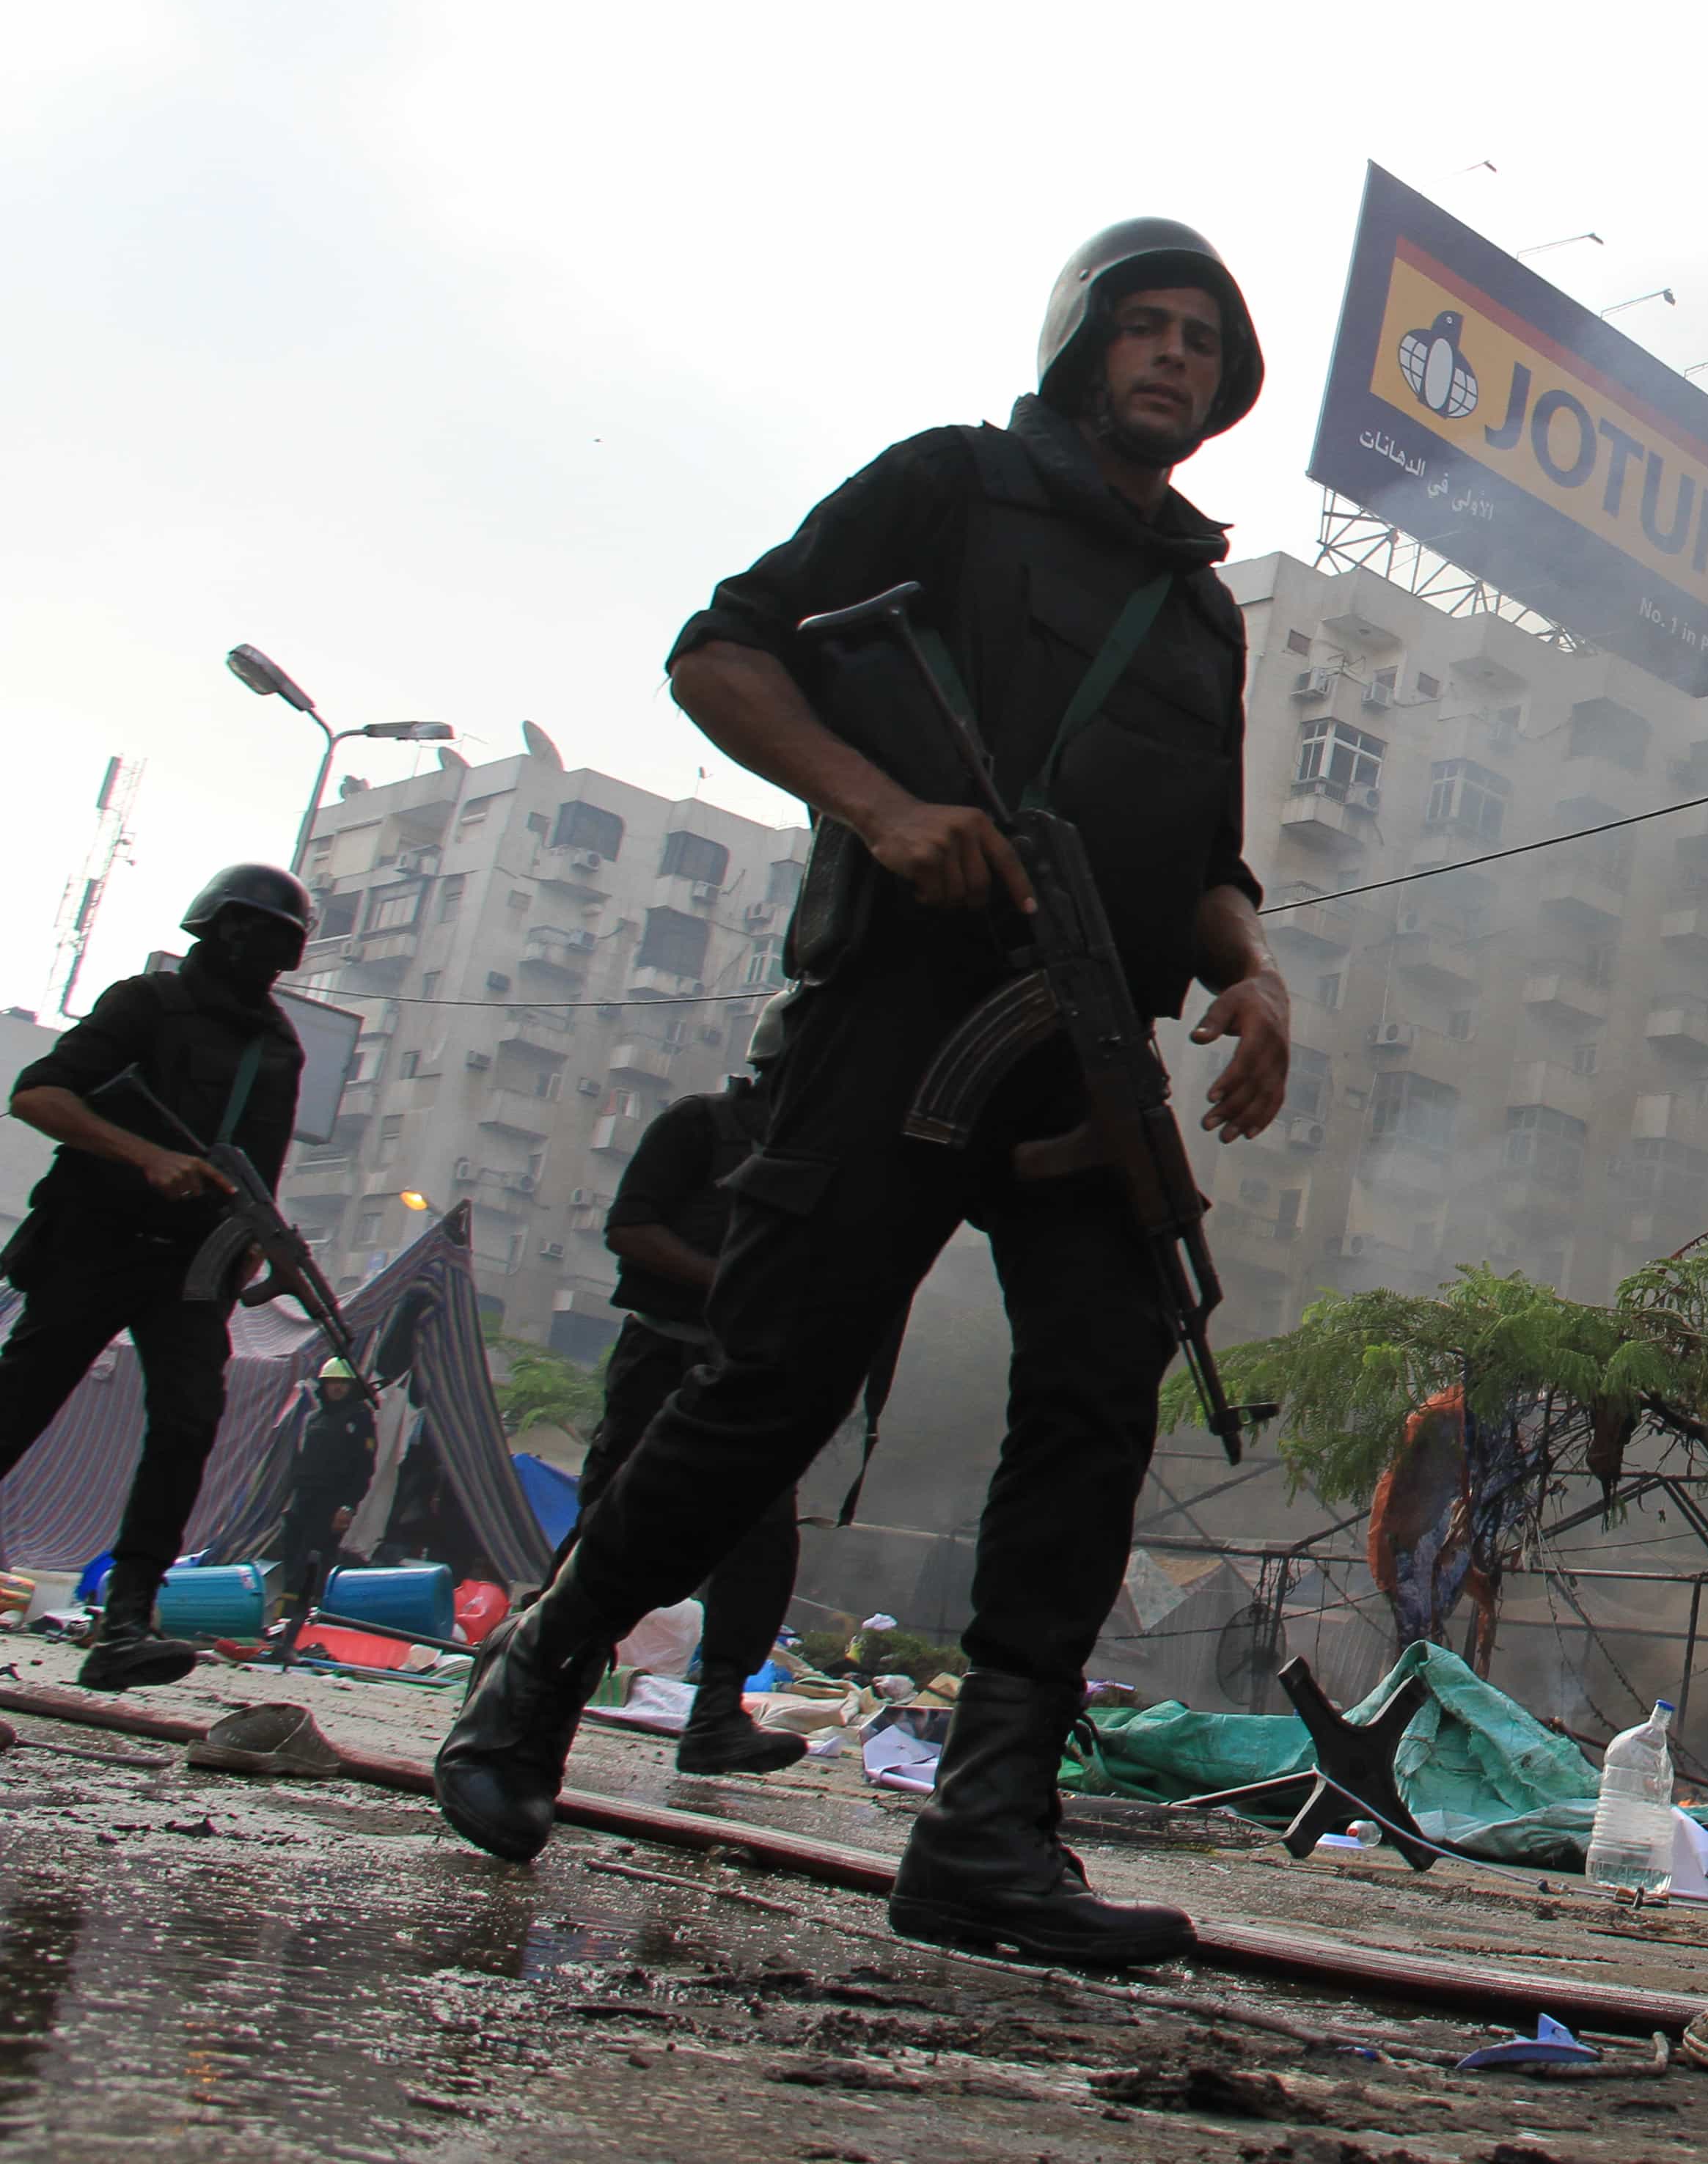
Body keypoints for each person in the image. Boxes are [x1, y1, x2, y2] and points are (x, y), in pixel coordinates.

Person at [435, 220, 1294, 1970]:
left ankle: (987, 1821)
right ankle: (537, 1671)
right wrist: (876, 806)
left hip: (1085, 1042)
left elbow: (1199, 855)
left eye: (1202, 340)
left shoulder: (1205, 608)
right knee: (767, 1385)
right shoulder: (948, 491)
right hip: (898, 1007)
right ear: (1082, 346)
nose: (1172, 357)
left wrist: (1252, 971)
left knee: (1091, 1402)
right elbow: (721, 653)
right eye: (1143, 326)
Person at [0, 865, 311, 1691]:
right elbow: (38, 1097)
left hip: (191, 1267)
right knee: (19, 1405)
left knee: (189, 1423)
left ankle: (129, 1615)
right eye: (251, 935)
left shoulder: (276, 1047)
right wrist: (146, 1156)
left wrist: (263, 1241)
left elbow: (259, 1167)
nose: (262, 956)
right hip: (95, 1240)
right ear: (212, 928)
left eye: (280, 945)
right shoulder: (145, 1005)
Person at [582, 1000, 808, 1776]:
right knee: (612, 1519)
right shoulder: (700, 1125)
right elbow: (630, 1228)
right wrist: (729, 1285)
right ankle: (536, 1674)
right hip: (665, 1359)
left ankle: (717, 1711)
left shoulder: (815, 1152)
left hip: (752, 1374)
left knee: (762, 1539)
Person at [269, 1357, 378, 1645]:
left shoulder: (360, 1418)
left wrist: (348, 1507)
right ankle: (282, 1627)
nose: (337, 1389)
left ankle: (303, 1630)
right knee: (292, 1562)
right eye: (332, 1383)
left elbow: (363, 1469)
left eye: (343, 1383)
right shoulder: (315, 1418)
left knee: (314, 1566)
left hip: (332, 1505)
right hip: (303, 1500)